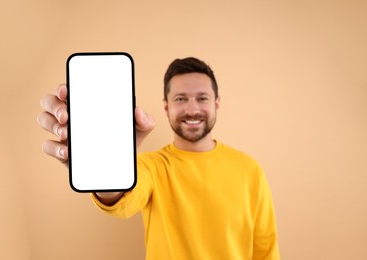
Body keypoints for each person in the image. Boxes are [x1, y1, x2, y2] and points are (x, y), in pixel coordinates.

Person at [38, 57, 280, 259]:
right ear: (166, 106)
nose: (192, 109)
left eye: (202, 98)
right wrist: (106, 159)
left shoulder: (249, 169)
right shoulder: (149, 166)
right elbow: (120, 200)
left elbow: (266, 251)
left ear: (217, 103)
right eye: (180, 98)